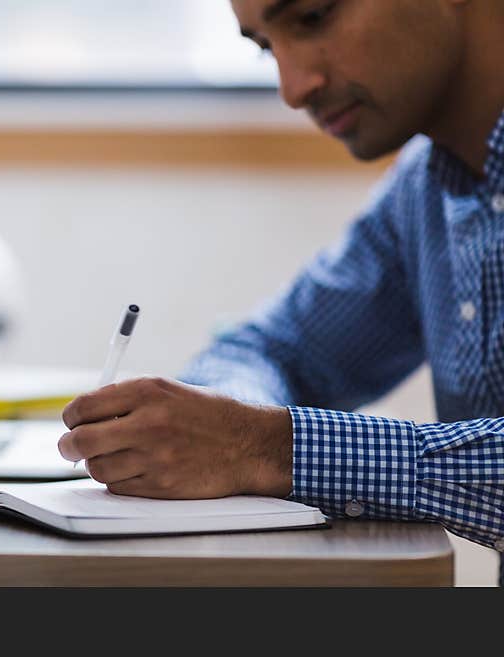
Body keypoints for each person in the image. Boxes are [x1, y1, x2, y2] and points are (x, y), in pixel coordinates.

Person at [57, 0, 504, 581]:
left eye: (313, 18)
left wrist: (264, 446)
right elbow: (273, 348)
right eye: (267, 47)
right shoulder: (426, 189)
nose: (293, 89)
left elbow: (259, 436)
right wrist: (219, 427)